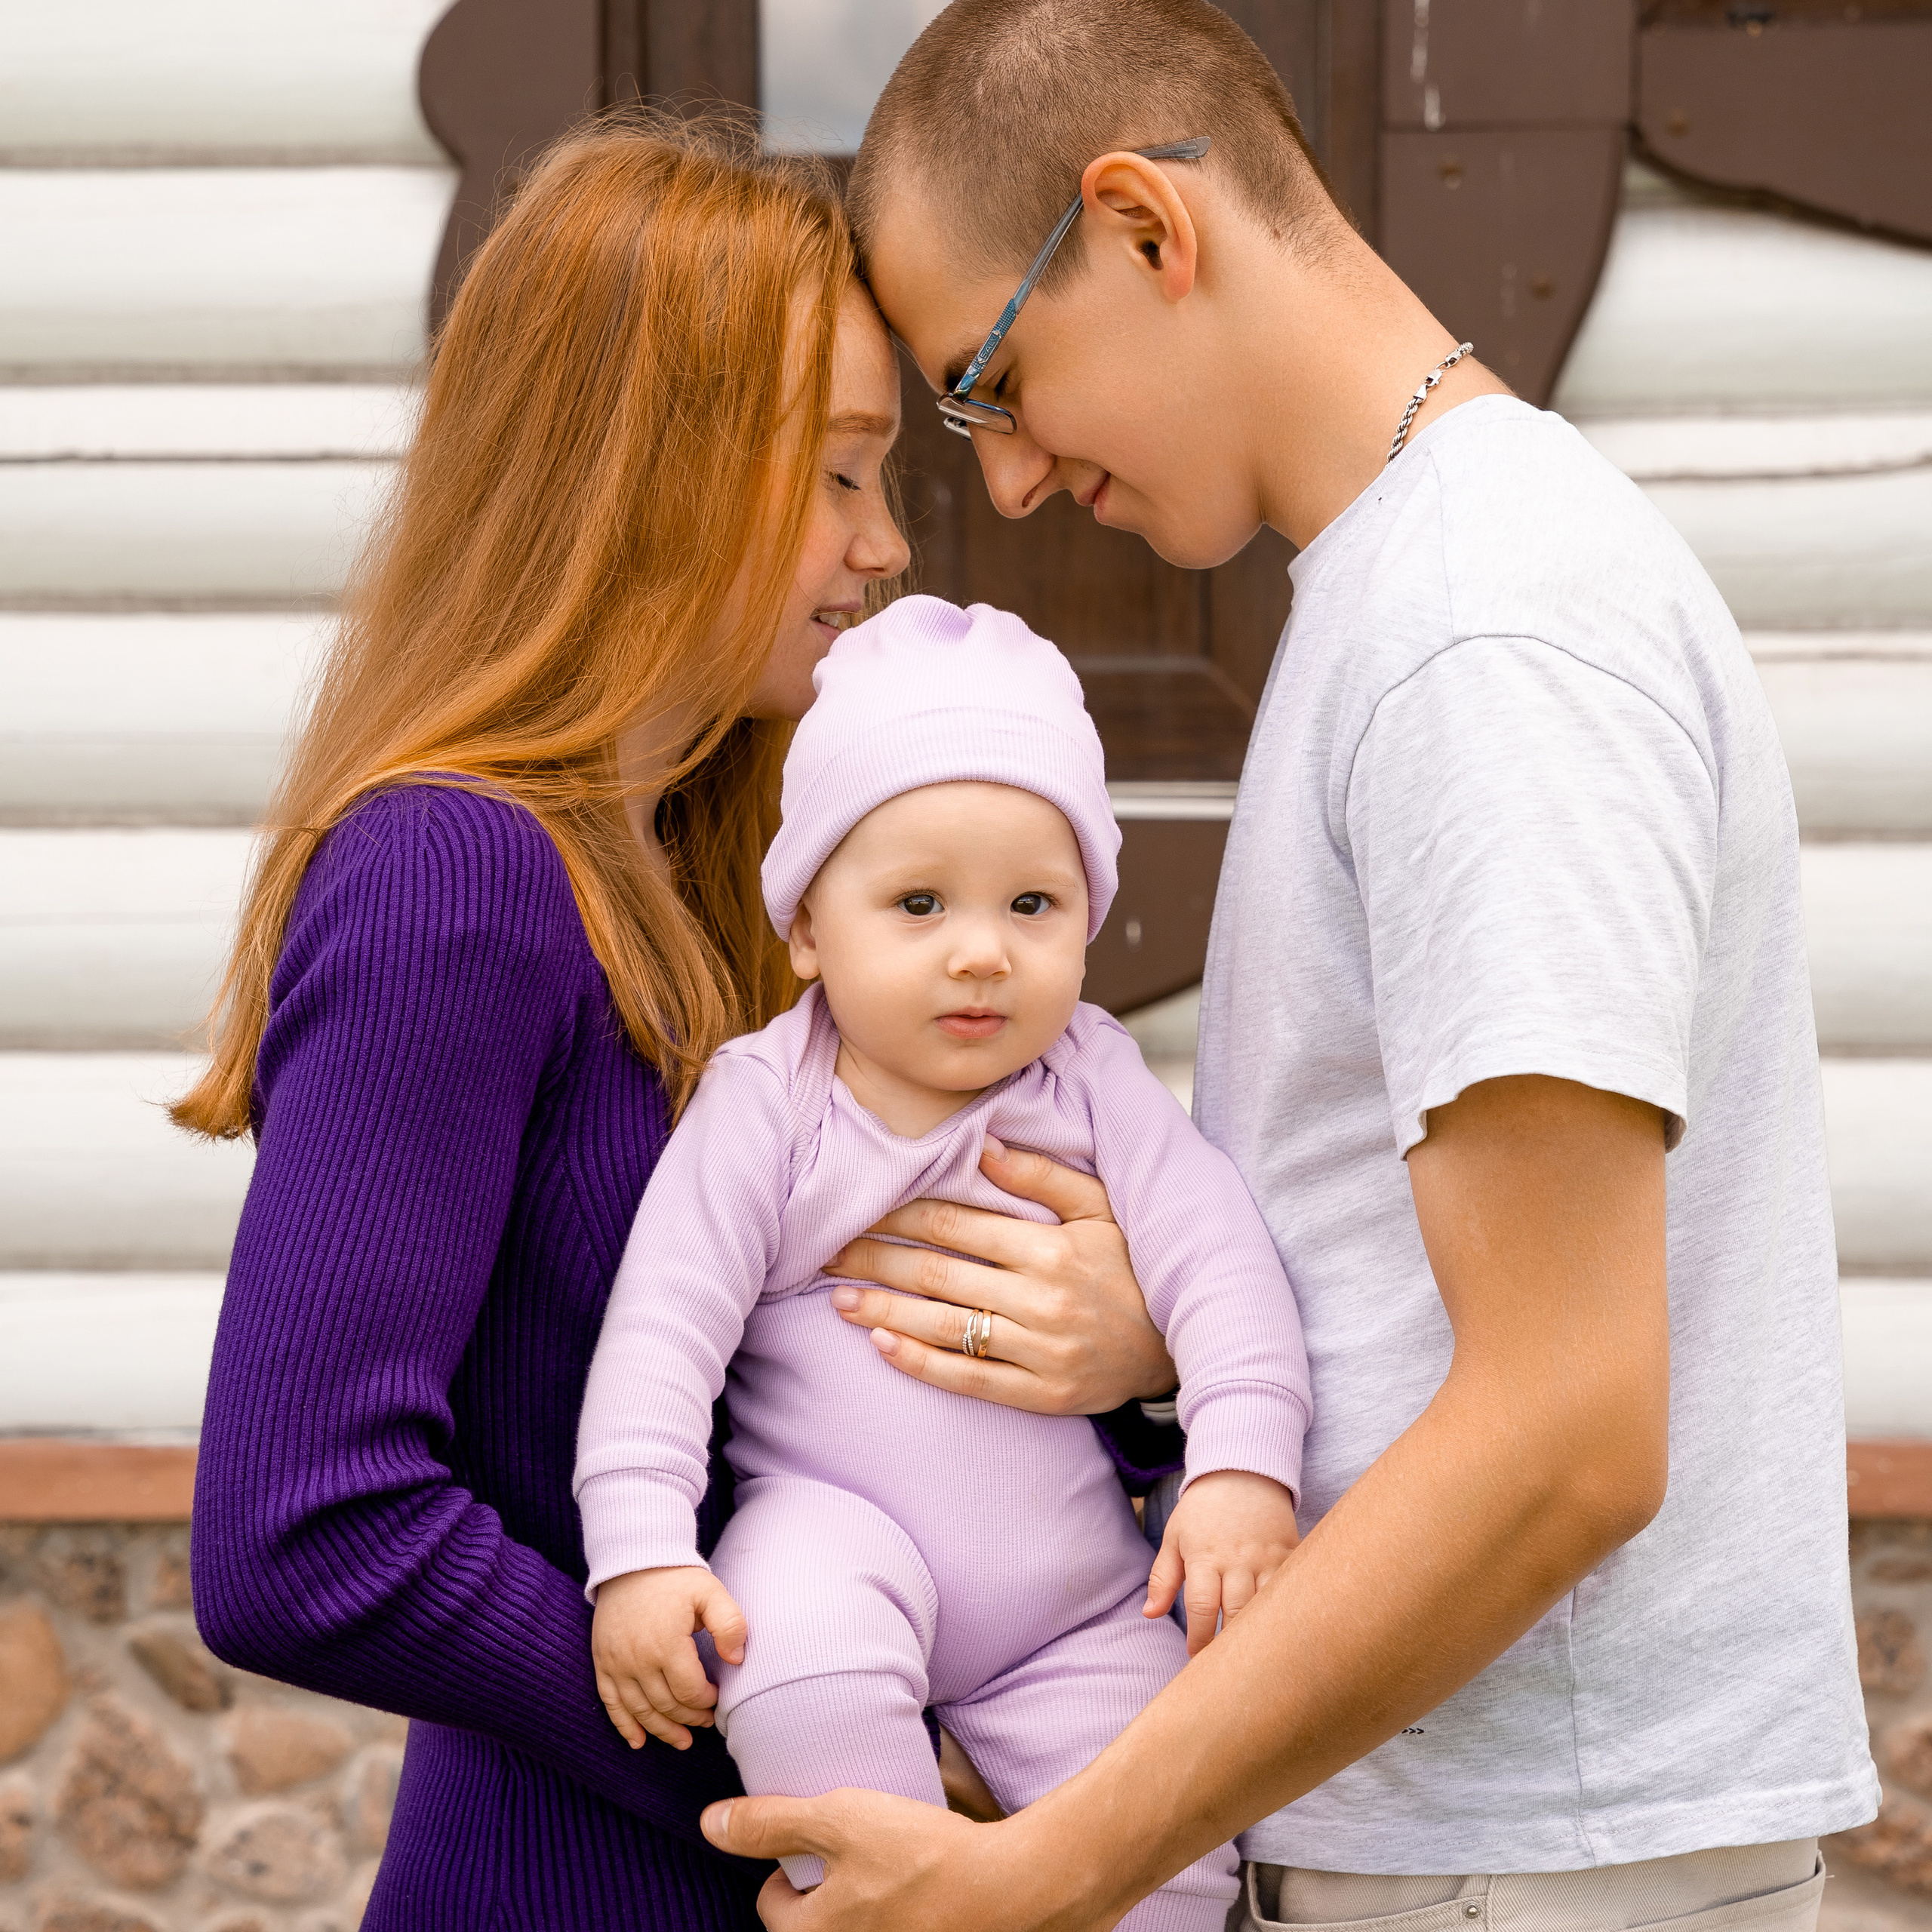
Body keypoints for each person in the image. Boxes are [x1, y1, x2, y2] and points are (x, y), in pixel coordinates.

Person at [698, 2, 1881, 1926]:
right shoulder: (1410, 591)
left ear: (1145, 226)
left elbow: (1565, 1429)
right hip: (1479, 1842)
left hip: (1527, 1860)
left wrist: (1052, 1865)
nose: (1005, 484)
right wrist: (1179, 1332)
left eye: (992, 382)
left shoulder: (1479, 637)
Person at [174, 115, 1183, 1931]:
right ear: (652, 472)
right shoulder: (449, 878)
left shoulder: (742, 884)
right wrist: (810, 1769)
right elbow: (303, 1529)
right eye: (840, 473)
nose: (885, 545)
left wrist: (1130, 1357)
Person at [574, 595, 1310, 1925]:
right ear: (809, 928)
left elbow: (1223, 1268)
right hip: (834, 1531)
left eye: (1034, 903)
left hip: (1077, 1604)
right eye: (919, 903)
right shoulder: (770, 1101)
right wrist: (637, 1554)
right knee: (790, 1660)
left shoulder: (1093, 1079)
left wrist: (1241, 1469)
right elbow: (663, 1333)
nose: (982, 951)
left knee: (1171, 1825)